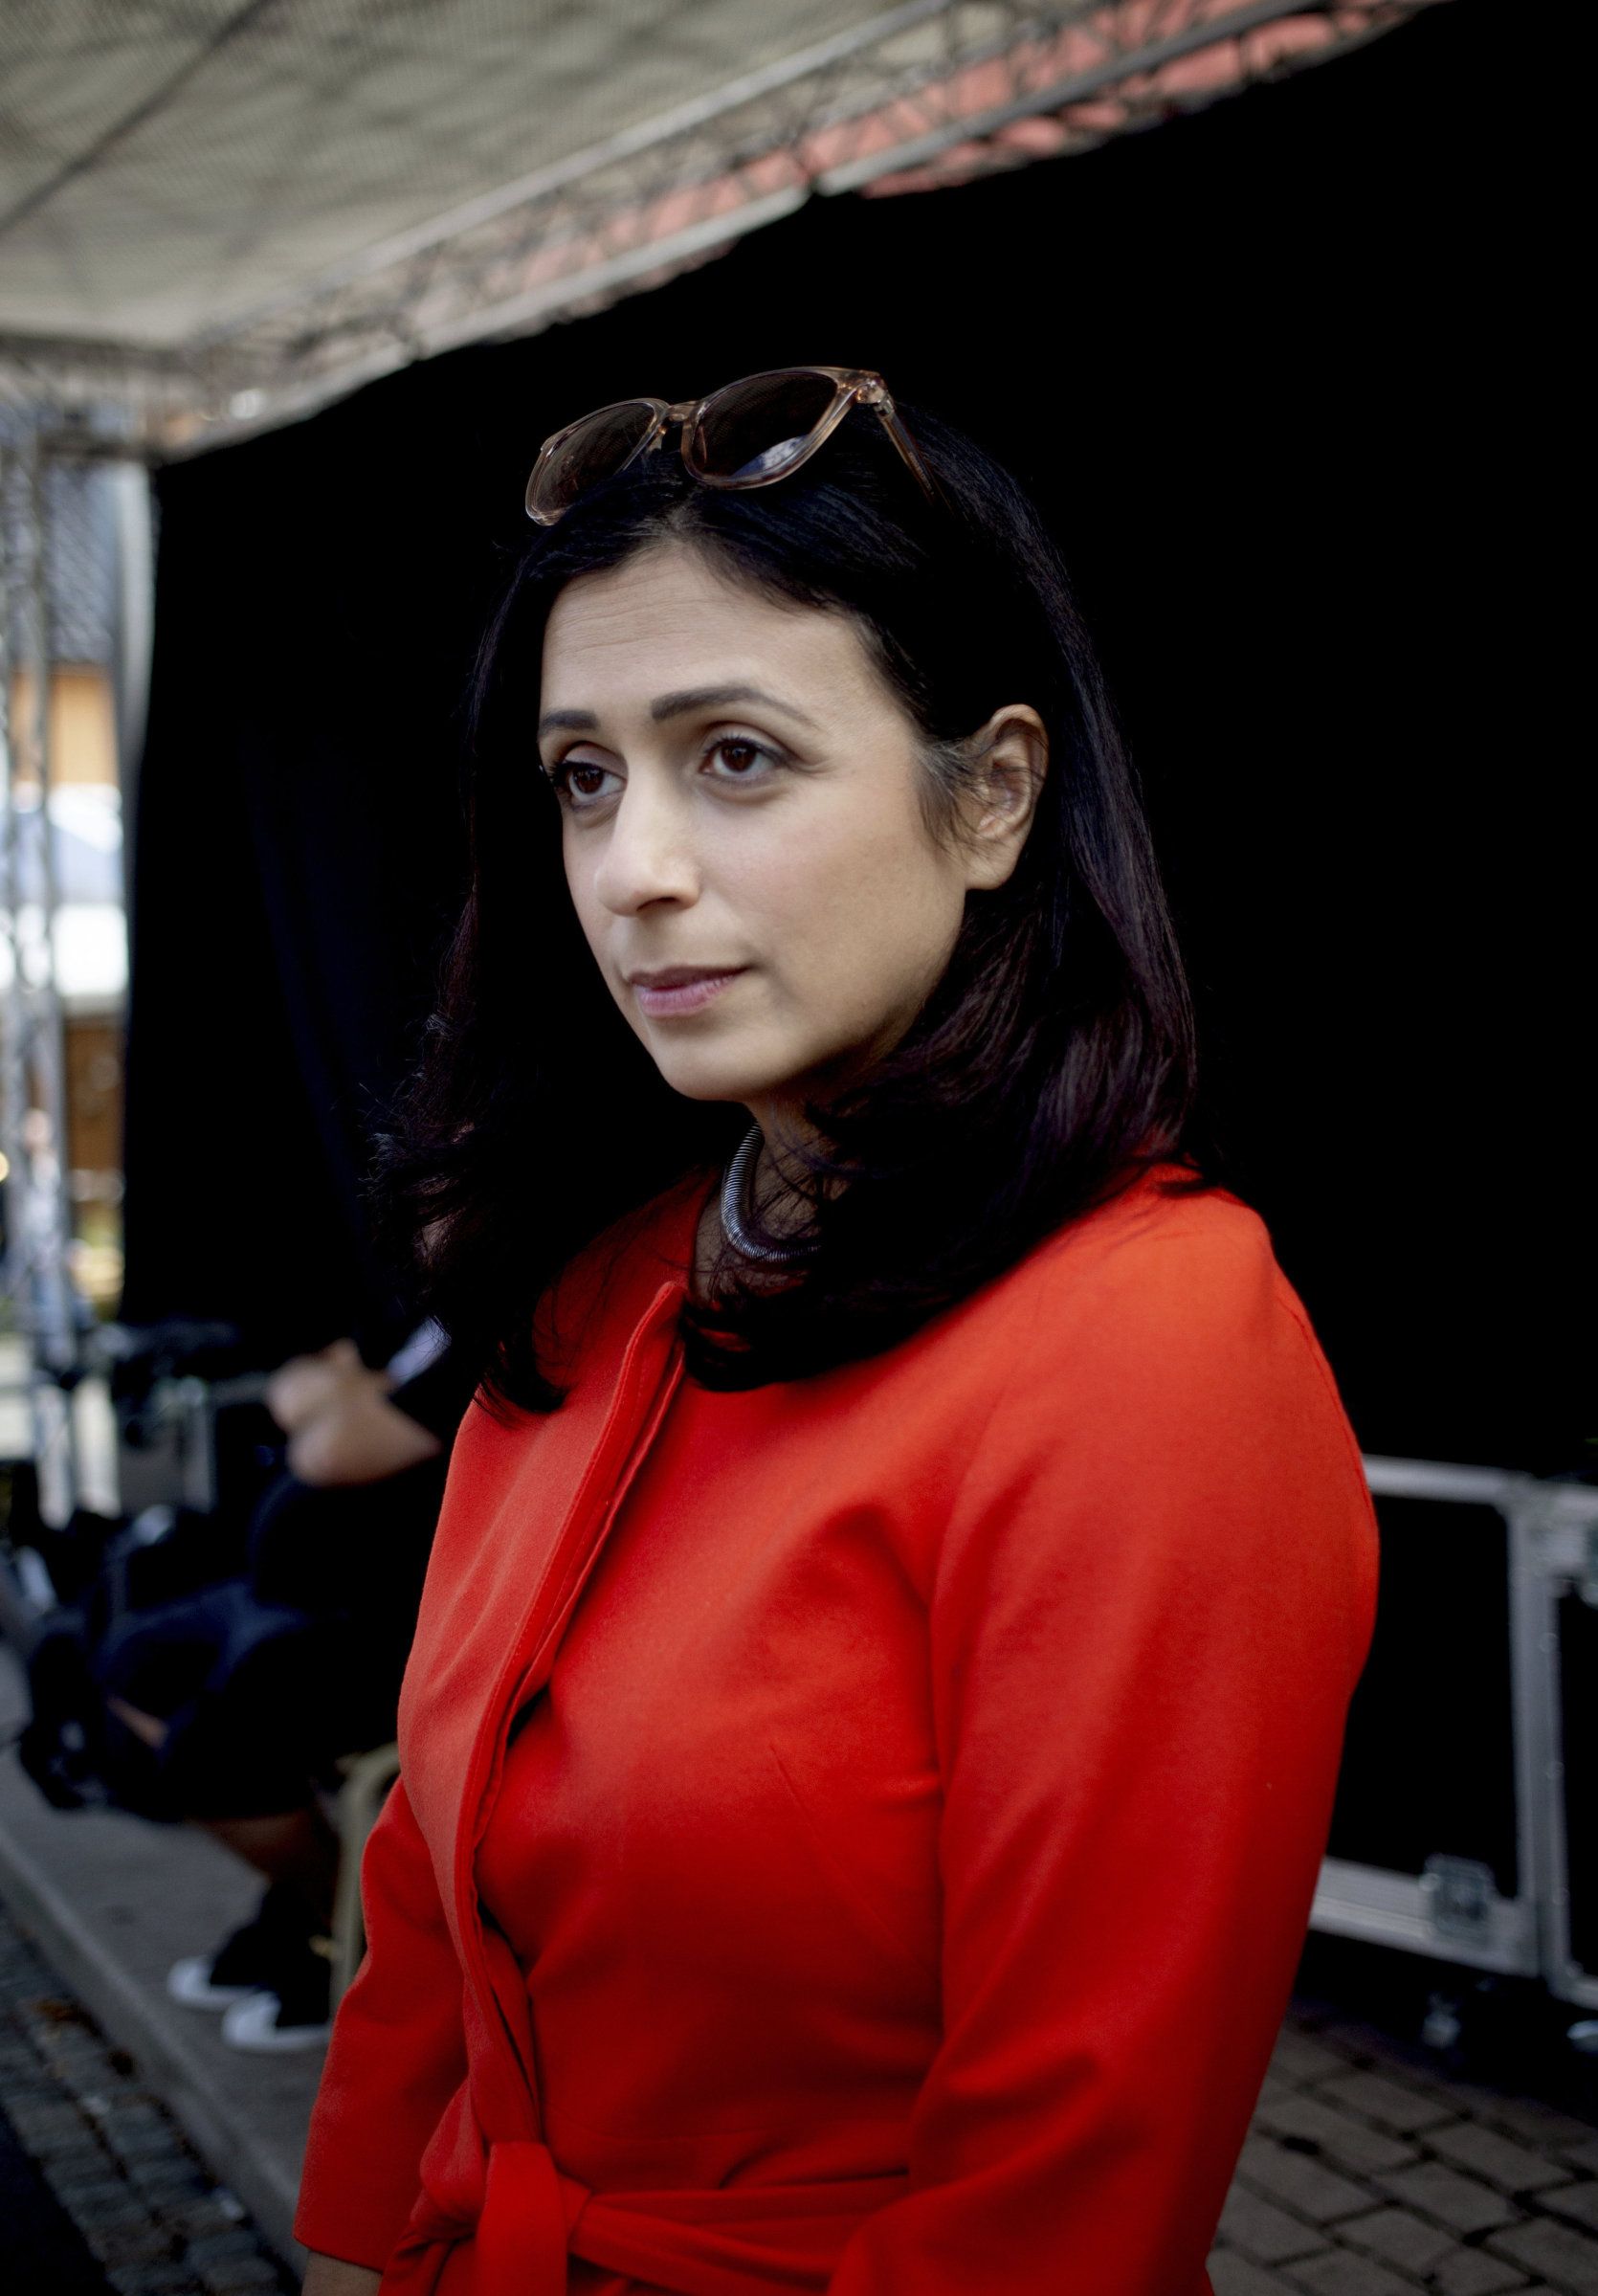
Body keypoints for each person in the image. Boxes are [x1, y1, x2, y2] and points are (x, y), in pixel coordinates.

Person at [294, 367, 1379, 2294]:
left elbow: (1068, 2187)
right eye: (583, 776)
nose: (632, 865)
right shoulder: (604, 1278)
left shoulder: (1150, 1342)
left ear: (993, 794)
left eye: (737, 755)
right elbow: (424, 1913)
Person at [96, 1318, 470, 2049]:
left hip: (390, 1620)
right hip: (279, 1595)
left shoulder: (492, 1322)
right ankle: (314, 1906)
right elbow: (293, 1390)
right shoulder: (420, 1310)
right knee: (133, 1662)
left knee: (208, 1754)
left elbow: (329, 1444)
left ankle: (357, 1943)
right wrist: (354, 1400)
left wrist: (352, 1396)